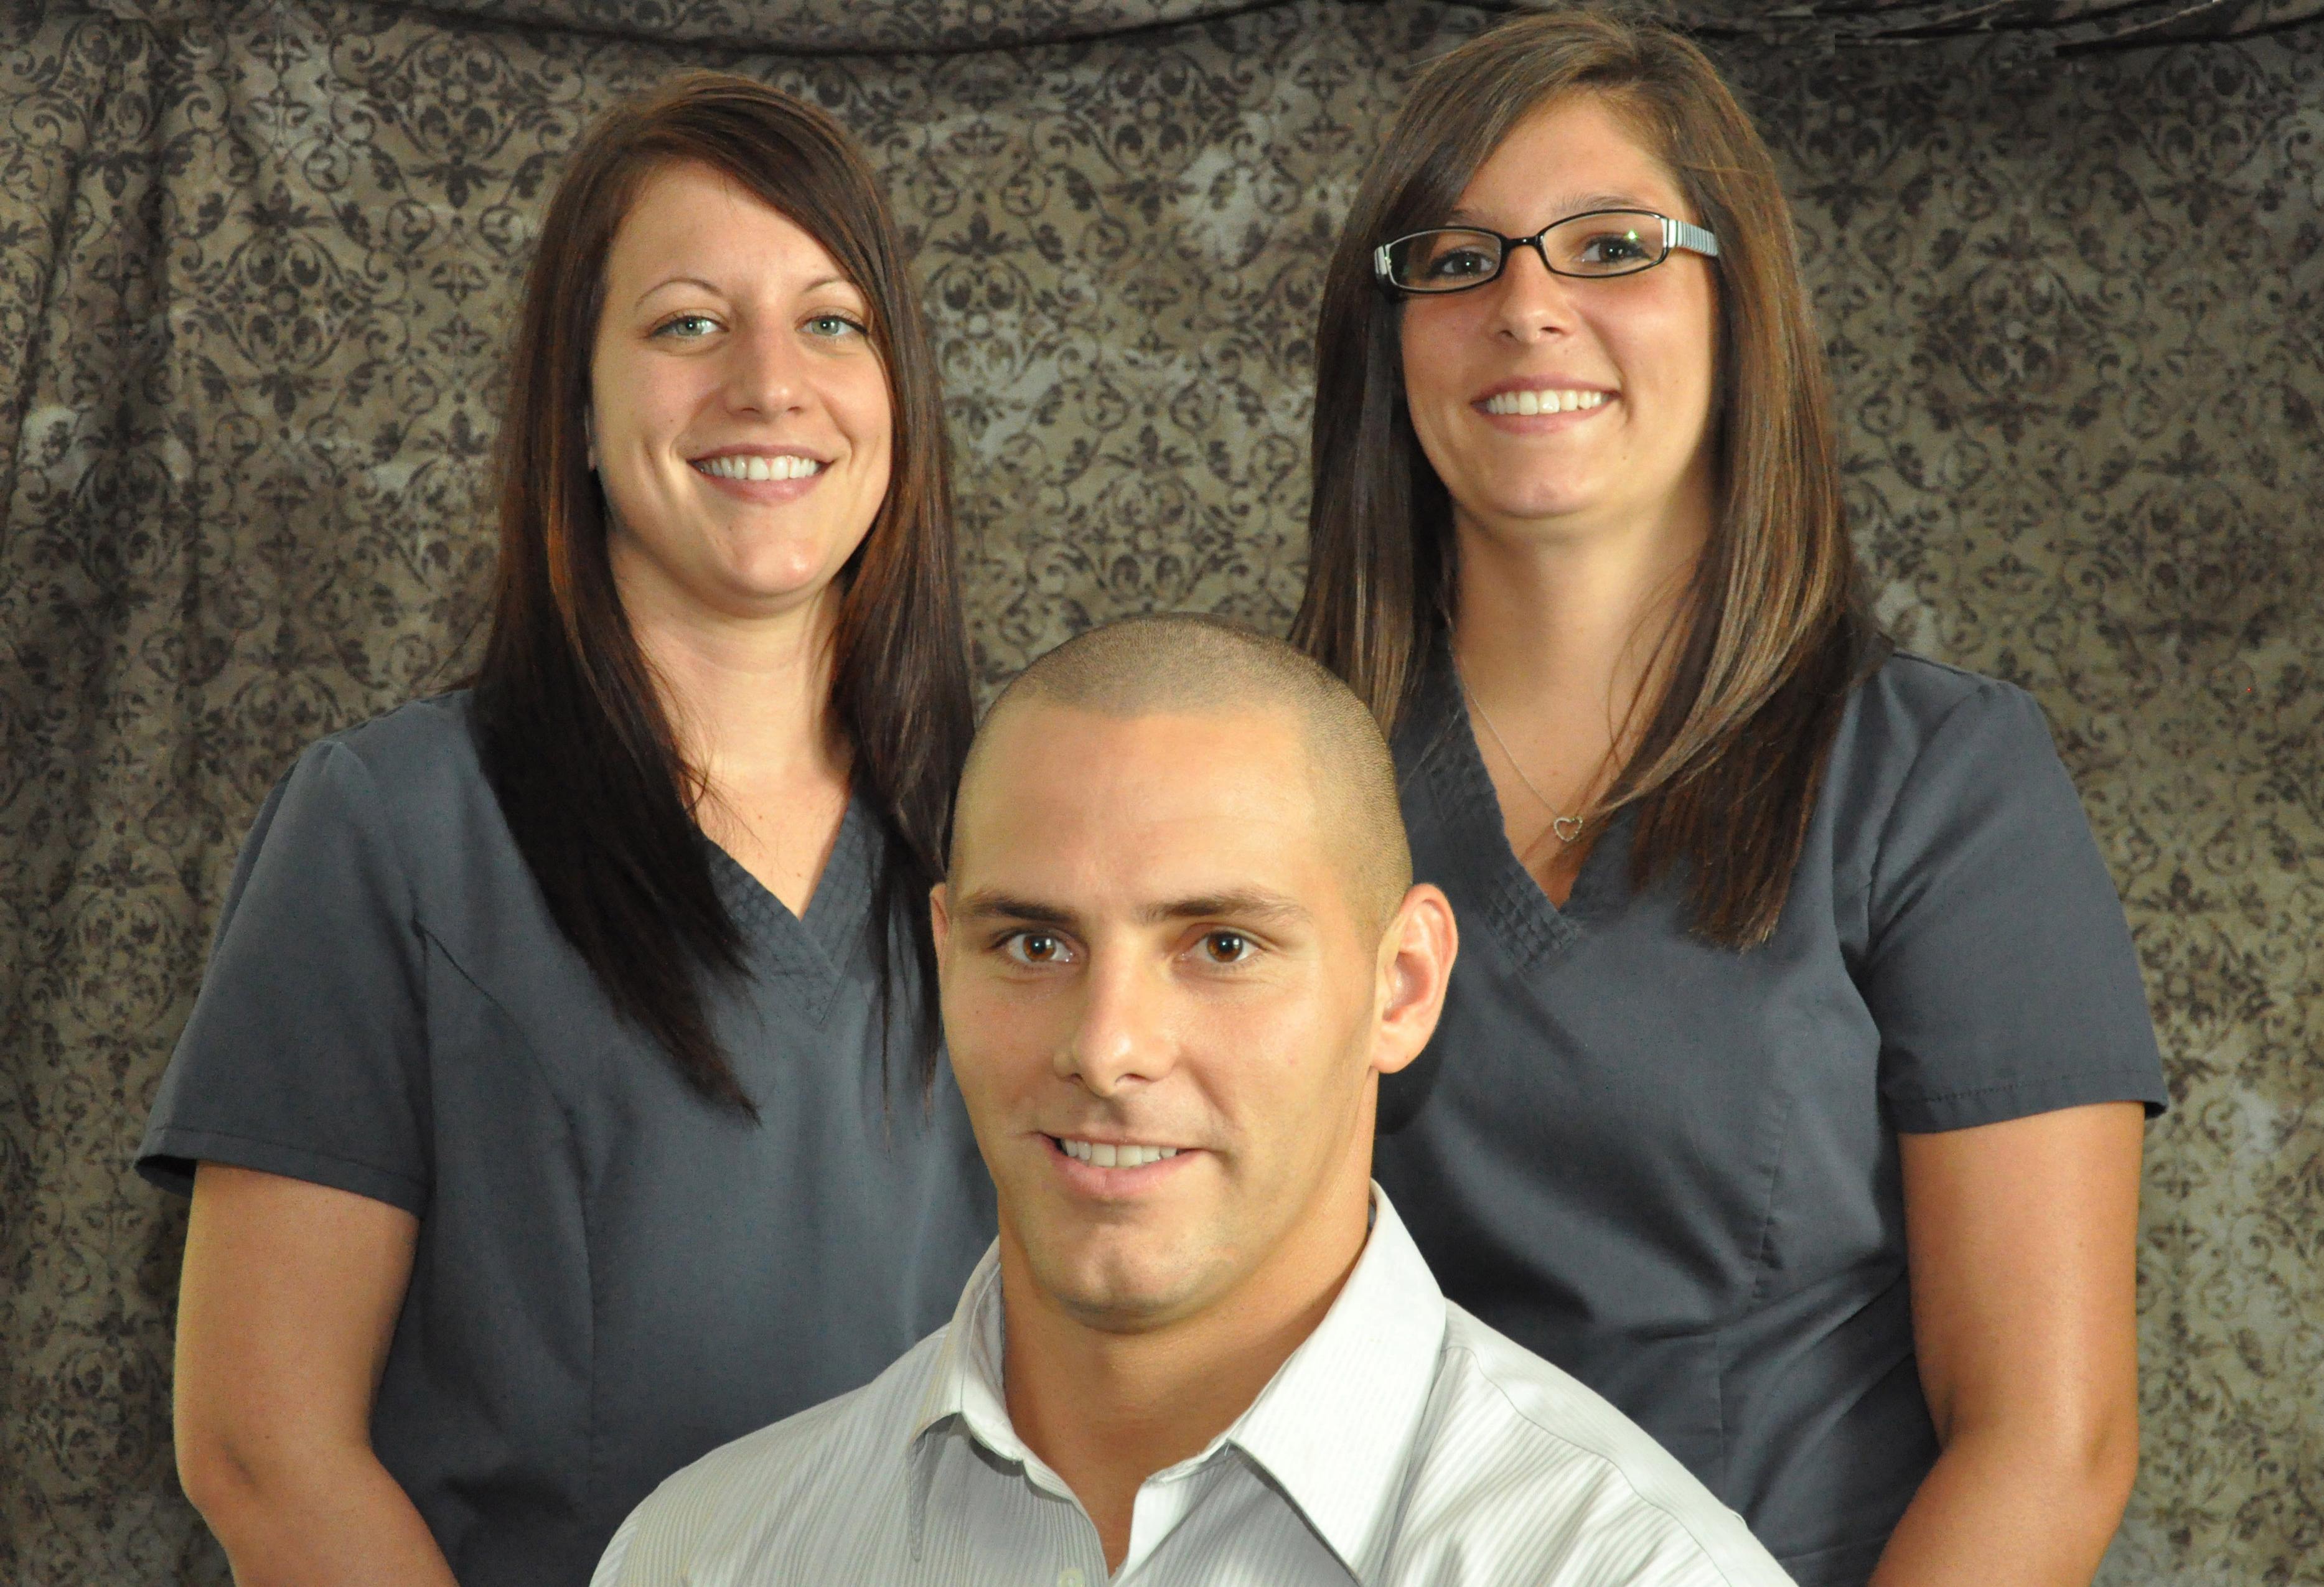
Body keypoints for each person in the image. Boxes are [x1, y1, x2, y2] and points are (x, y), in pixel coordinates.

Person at [1293, 14, 2168, 1587]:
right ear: (1393, 333)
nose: (1528, 308)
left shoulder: (1940, 783)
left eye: (1613, 246)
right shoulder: (1272, 776)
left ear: (1738, 305)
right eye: (1457, 258)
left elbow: (2048, 1442)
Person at [138, 73, 993, 1587]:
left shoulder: (1009, 826)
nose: (770, 385)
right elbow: (263, 1450)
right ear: (579, 411)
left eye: (832, 322)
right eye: (686, 324)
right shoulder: (393, 830)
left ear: (899, 403)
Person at [591, 614, 1798, 1586]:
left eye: (1221, 946)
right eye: (1033, 944)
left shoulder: (1633, 1568)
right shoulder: (703, 1557)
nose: (1108, 1048)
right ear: (945, 960)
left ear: (1403, 985)